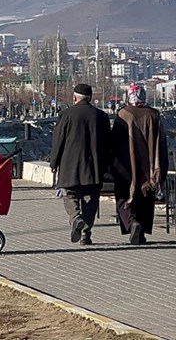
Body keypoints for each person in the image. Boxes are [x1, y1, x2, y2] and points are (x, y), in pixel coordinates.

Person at [50, 83, 110, 246]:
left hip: (70, 165)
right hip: (94, 166)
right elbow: (107, 143)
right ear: (90, 98)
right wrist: (106, 165)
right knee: (90, 200)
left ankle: (76, 218)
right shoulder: (101, 116)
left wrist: (54, 162)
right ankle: (86, 234)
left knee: (69, 195)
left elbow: (58, 140)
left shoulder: (66, 115)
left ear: (74, 98)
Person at [110, 83, 168, 245]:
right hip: (148, 169)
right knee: (145, 200)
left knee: (125, 198)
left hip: (127, 168)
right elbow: (161, 144)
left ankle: (132, 223)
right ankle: (141, 231)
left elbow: (115, 142)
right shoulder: (154, 115)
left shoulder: (124, 114)